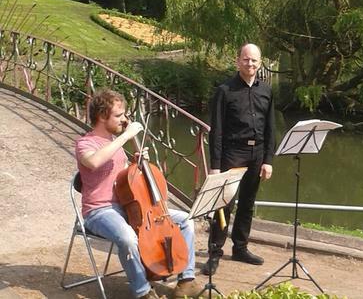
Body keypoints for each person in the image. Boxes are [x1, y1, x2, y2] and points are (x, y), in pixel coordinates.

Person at [75, 89, 201, 299]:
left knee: (186, 220)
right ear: (101, 116)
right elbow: (94, 162)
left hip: (128, 207)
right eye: (118, 115)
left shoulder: (115, 144)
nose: (124, 119)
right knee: (128, 238)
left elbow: (126, 182)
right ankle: (143, 292)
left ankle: (186, 281)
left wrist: (136, 163)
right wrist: (126, 136)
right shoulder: (85, 143)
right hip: (99, 210)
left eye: (124, 114)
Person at [202, 43, 275, 276]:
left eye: (254, 60)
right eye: (246, 59)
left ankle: (240, 247)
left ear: (260, 62)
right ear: (238, 61)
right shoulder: (225, 90)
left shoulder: (267, 91)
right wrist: (215, 166)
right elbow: (217, 131)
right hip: (232, 153)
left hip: (257, 154)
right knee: (224, 204)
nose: (250, 64)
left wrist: (268, 160)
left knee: (248, 204)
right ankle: (214, 252)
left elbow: (271, 128)